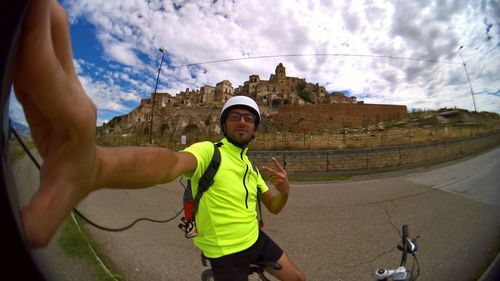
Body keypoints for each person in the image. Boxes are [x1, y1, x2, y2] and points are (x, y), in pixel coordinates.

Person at [13, 0, 305, 280]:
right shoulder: (208, 151)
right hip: (225, 253)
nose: (242, 121)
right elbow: (168, 163)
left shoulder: (252, 170)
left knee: (298, 278)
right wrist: (99, 165)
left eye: (249, 118)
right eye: (234, 116)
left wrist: (285, 190)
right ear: (223, 123)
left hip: (255, 239)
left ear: (255, 128)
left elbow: (275, 206)